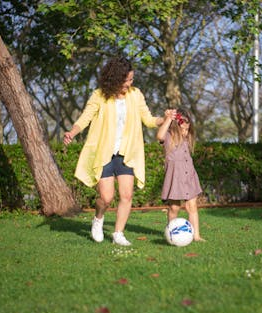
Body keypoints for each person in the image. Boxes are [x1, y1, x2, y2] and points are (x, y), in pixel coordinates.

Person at [64, 56, 170, 245]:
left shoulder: (136, 94)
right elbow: (86, 117)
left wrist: (165, 118)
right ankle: (98, 218)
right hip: (104, 152)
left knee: (126, 195)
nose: (130, 83)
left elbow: (148, 119)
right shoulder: (99, 95)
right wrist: (72, 132)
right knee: (106, 197)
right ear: (115, 78)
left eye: (131, 79)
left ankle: (118, 234)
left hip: (126, 152)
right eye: (126, 80)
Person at [156, 108, 205, 242]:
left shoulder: (187, 138)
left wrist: (186, 130)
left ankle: (196, 236)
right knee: (174, 207)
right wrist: (168, 119)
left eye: (187, 129)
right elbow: (159, 135)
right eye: (182, 129)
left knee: (192, 206)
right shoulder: (168, 136)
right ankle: (172, 234)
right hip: (175, 177)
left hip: (189, 175)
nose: (185, 132)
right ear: (175, 127)